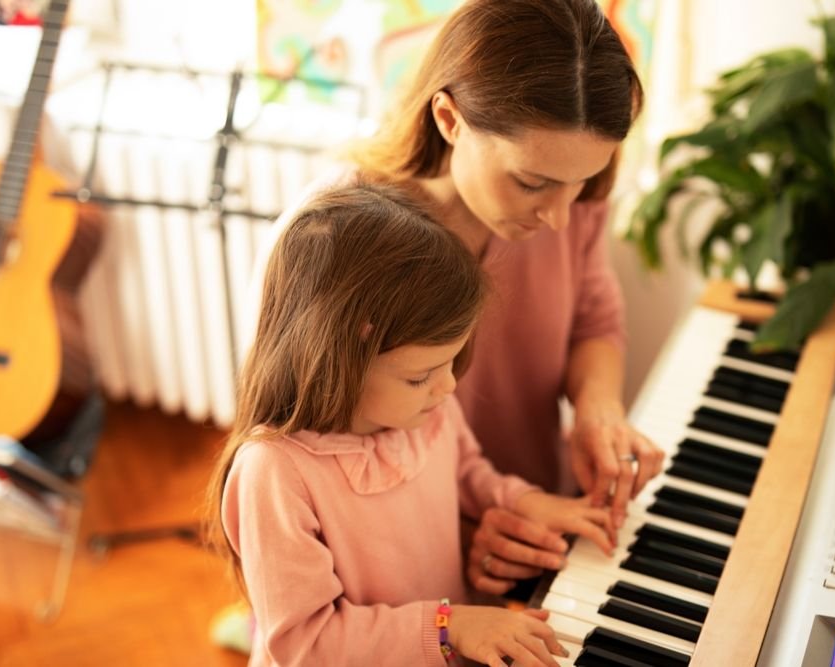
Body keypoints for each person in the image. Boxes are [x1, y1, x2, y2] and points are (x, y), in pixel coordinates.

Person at [247, 0, 665, 596]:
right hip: (406, 566)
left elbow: (594, 318)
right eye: (532, 183)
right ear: (449, 118)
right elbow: (308, 453)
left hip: (529, 507)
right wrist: (464, 536)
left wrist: (600, 409)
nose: (558, 217)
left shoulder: (570, 198)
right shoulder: (334, 238)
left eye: (581, 185)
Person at [210, 182, 617, 666]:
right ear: (344, 355)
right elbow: (306, 643)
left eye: (453, 361)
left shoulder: (425, 408)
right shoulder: (275, 472)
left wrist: (530, 503)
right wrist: (449, 626)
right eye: (422, 375)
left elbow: (470, 472)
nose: (448, 387)